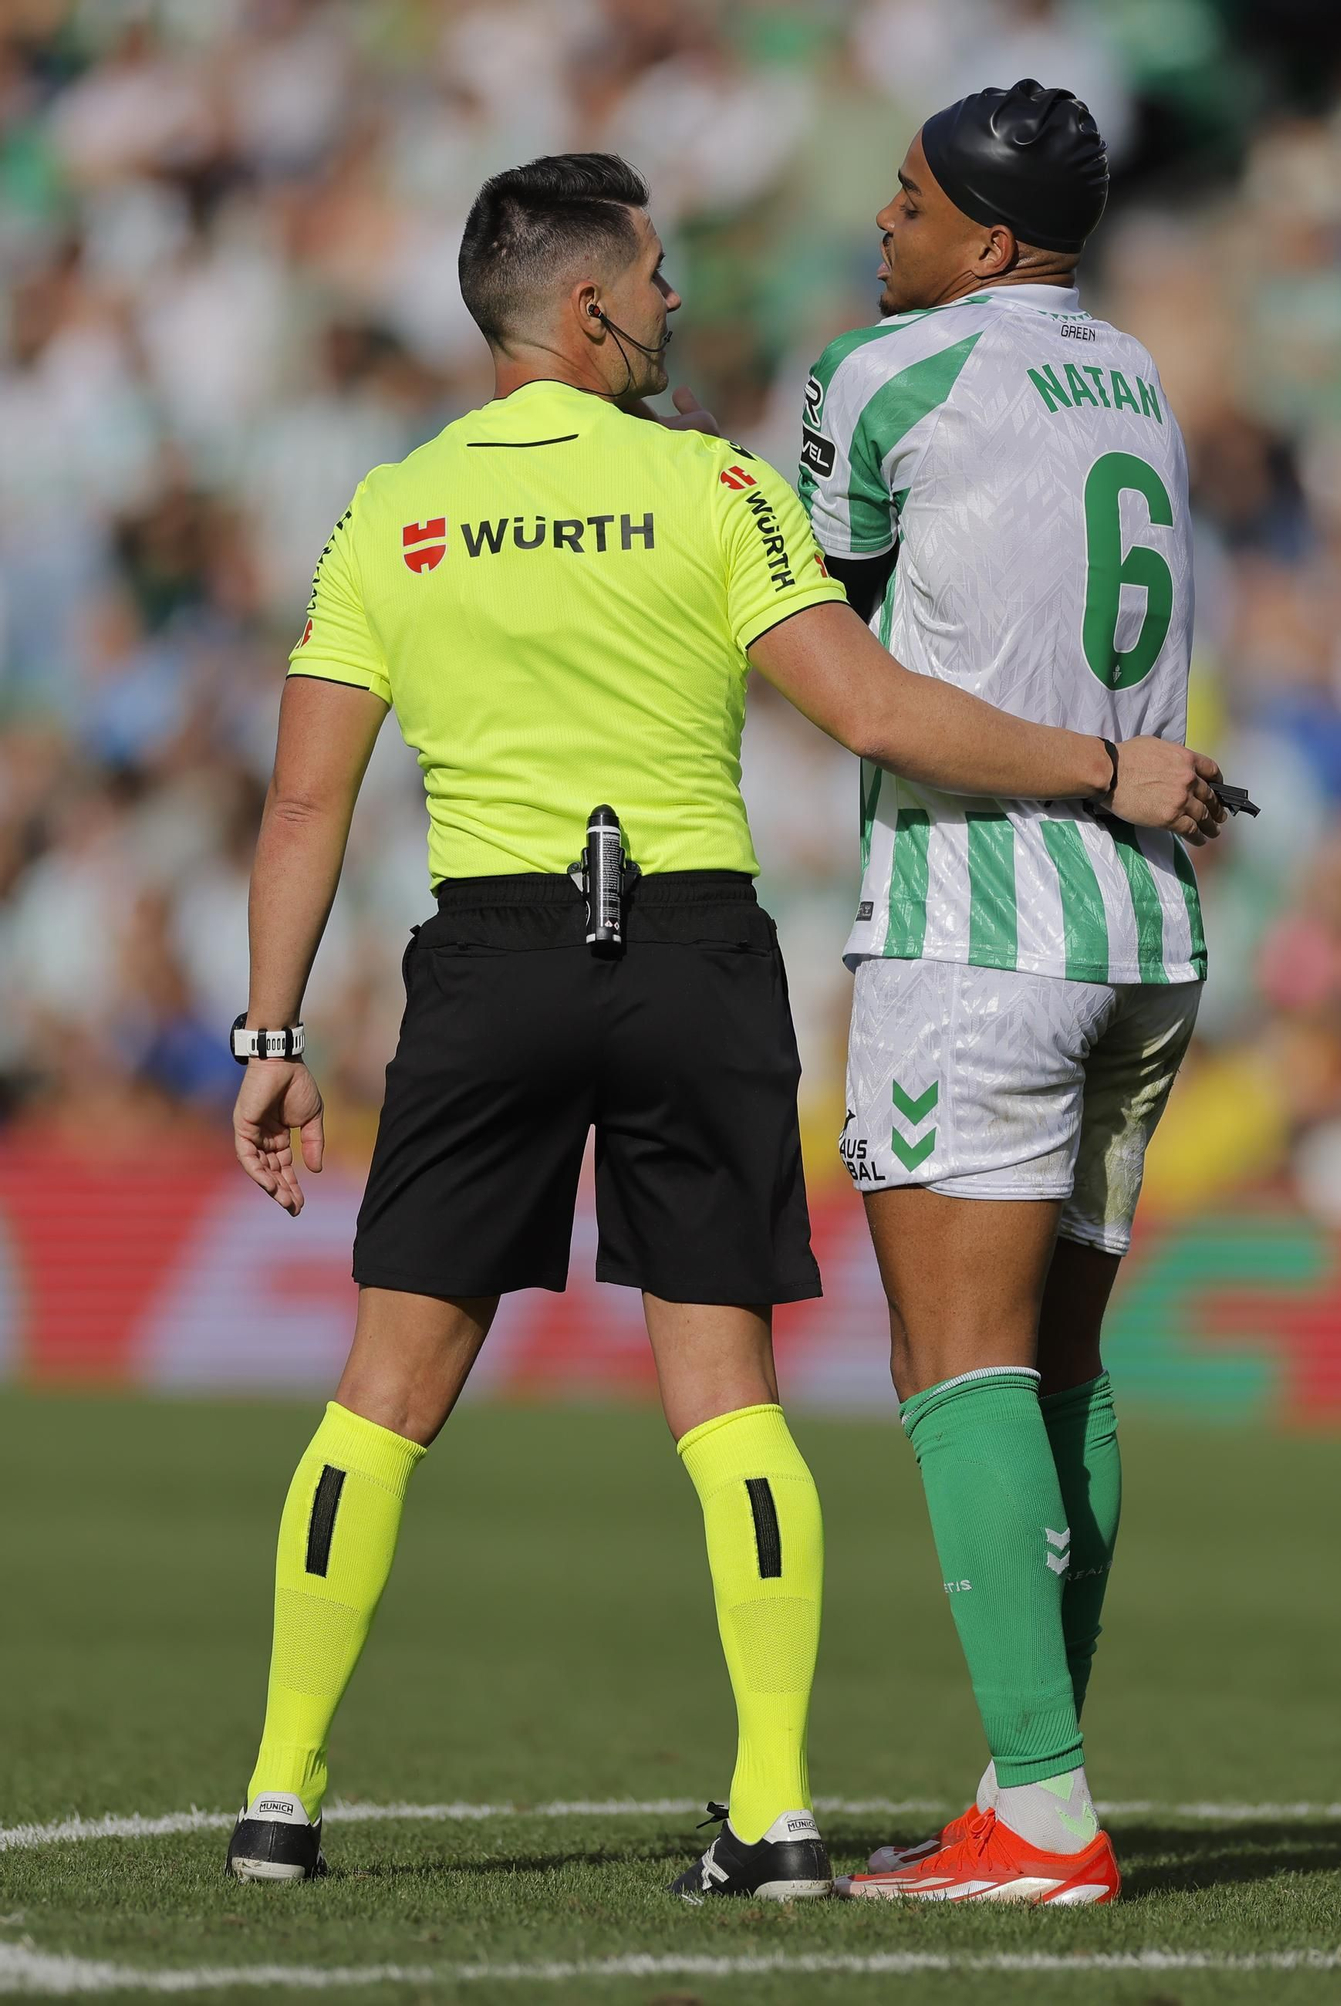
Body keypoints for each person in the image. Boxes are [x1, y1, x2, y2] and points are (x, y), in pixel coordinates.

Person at [221, 152, 1212, 1901]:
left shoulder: (395, 507)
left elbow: (304, 807)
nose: (679, 302)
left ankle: (279, 1794)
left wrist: (269, 1034)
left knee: (382, 1393)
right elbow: (878, 705)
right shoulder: (717, 489)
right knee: (729, 1400)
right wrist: (1105, 762)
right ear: (591, 305)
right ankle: (774, 1808)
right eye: (660, 277)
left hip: (491, 947)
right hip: (688, 947)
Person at [798, 83, 1228, 1904]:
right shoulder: (1132, 374)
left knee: (952, 1363)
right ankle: (1017, 1780)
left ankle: (1044, 1813)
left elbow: (835, 625)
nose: (875, 225)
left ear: (983, 239)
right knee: (1060, 1360)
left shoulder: (881, 375)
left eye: (903, 201)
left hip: (982, 921)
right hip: (1147, 932)